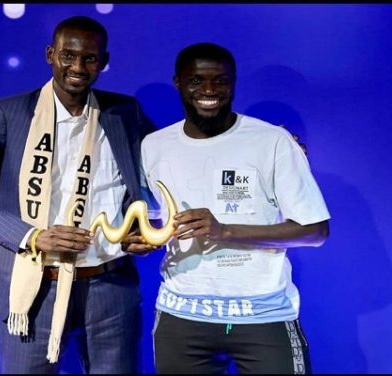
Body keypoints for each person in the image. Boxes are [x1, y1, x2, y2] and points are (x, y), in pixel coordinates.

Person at [0, 16, 157, 374]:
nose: (78, 67)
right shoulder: (6, 114)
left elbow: (166, 166)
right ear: (50, 55)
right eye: (68, 56)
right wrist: (34, 236)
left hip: (109, 284)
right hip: (34, 284)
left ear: (103, 62)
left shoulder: (124, 113)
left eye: (90, 58)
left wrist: (140, 227)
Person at [140, 42, 331, 374]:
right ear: (178, 83)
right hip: (181, 319)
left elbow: (315, 231)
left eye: (221, 81)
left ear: (234, 82)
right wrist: (139, 243)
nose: (209, 90)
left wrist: (224, 230)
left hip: (263, 317)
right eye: (197, 80)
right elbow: (155, 222)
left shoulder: (272, 141)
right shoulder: (154, 146)